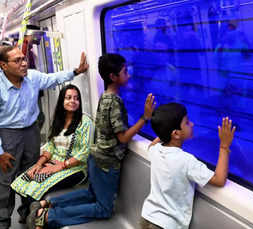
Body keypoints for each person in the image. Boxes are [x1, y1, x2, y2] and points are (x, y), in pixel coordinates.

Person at [26, 53, 156, 229]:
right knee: (104, 209)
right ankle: (49, 216)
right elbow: (123, 137)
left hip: (96, 158)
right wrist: (145, 117)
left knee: (90, 194)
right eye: (125, 72)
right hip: (106, 162)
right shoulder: (115, 102)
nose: (129, 75)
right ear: (113, 76)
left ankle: (45, 204)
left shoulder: (104, 96)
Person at [0, 45, 89, 229]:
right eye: (17, 60)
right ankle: (3, 221)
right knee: (5, 179)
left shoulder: (32, 77)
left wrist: (76, 71)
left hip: (31, 131)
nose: (24, 63)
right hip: (8, 133)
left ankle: (26, 213)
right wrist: (0, 152)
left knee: (30, 172)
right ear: (3, 65)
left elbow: (52, 79)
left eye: (24, 58)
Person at [140, 103, 235, 229]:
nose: (192, 124)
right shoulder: (186, 161)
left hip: (148, 217)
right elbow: (219, 180)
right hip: (167, 225)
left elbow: (152, 145)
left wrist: (164, 130)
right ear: (176, 134)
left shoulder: (155, 150)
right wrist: (224, 146)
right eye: (187, 122)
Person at [10, 84, 92, 221]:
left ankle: (35, 218)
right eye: (68, 98)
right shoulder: (58, 121)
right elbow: (51, 147)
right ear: (62, 101)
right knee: (25, 177)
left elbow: (85, 153)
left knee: (35, 187)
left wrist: (60, 166)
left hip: (75, 168)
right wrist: (39, 164)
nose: (73, 101)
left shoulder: (86, 122)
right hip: (53, 162)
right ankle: (29, 214)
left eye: (76, 98)